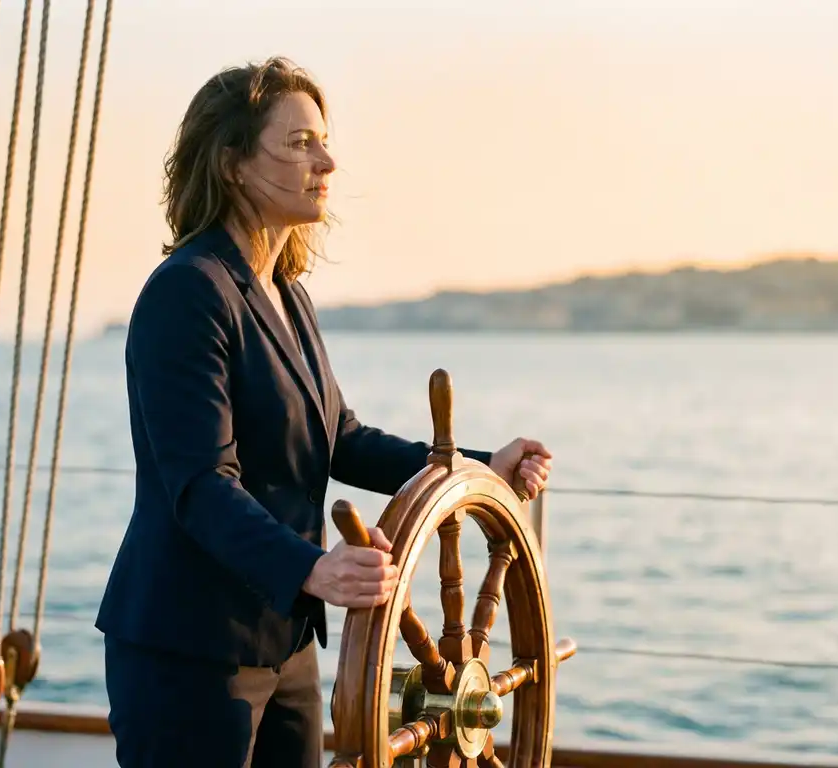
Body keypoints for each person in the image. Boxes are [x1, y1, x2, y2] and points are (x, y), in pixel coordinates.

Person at [94, 57, 553, 768]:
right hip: (190, 650)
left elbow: (341, 438)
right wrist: (313, 568)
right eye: (300, 142)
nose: (327, 161)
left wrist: (478, 465)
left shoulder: (285, 292)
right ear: (232, 163)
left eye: (325, 140)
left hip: (286, 645)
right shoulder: (188, 292)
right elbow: (201, 484)